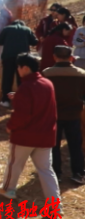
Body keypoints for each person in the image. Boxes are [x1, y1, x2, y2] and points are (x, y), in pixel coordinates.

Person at [0, 54, 61, 209]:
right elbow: (40, 103)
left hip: (25, 136)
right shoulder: (47, 83)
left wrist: (11, 126)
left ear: (25, 68)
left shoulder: (25, 87)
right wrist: (18, 97)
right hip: (46, 135)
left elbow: (22, 115)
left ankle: (8, 189)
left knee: (14, 164)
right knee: (46, 170)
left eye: (19, 67)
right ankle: (55, 206)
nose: (17, 70)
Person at [43, 45, 85, 184]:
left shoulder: (47, 73)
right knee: (75, 145)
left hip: (53, 114)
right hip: (74, 114)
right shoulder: (81, 74)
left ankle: (56, 173)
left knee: (53, 145)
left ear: (54, 57)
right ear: (71, 57)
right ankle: (78, 172)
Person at [0, 20, 38, 107]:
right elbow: (34, 42)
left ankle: (5, 100)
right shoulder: (27, 29)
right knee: (22, 79)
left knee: (7, 78)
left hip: (8, 56)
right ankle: (21, 99)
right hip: (23, 58)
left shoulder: (6, 29)